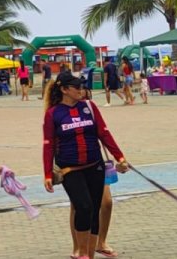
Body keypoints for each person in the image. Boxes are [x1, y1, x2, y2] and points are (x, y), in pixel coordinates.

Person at [43, 71, 129, 259]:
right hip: (70, 170)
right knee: (83, 206)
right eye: (76, 87)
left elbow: (104, 133)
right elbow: (48, 144)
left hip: (95, 166)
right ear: (65, 90)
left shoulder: (89, 107)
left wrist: (120, 157)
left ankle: (89, 253)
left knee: (95, 208)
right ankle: (81, 252)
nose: (81, 90)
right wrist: (47, 174)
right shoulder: (53, 114)